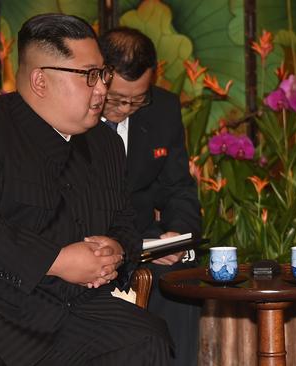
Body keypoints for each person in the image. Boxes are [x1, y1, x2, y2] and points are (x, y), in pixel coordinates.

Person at [0, 14, 175, 365]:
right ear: (41, 80)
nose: (102, 88)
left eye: (103, 74)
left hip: (76, 308)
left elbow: (125, 220)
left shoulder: (105, 143)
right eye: (90, 76)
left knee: (146, 337)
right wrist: (56, 261)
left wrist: (116, 250)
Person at [99, 27, 202, 365]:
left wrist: (177, 234)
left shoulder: (163, 109)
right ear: (98, 77)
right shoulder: (72, 112)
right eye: (116, 99)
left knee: (181, 280)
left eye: (137, 99)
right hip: (91, 239)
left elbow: (178, 187)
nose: (126, 108)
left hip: (147, 241)